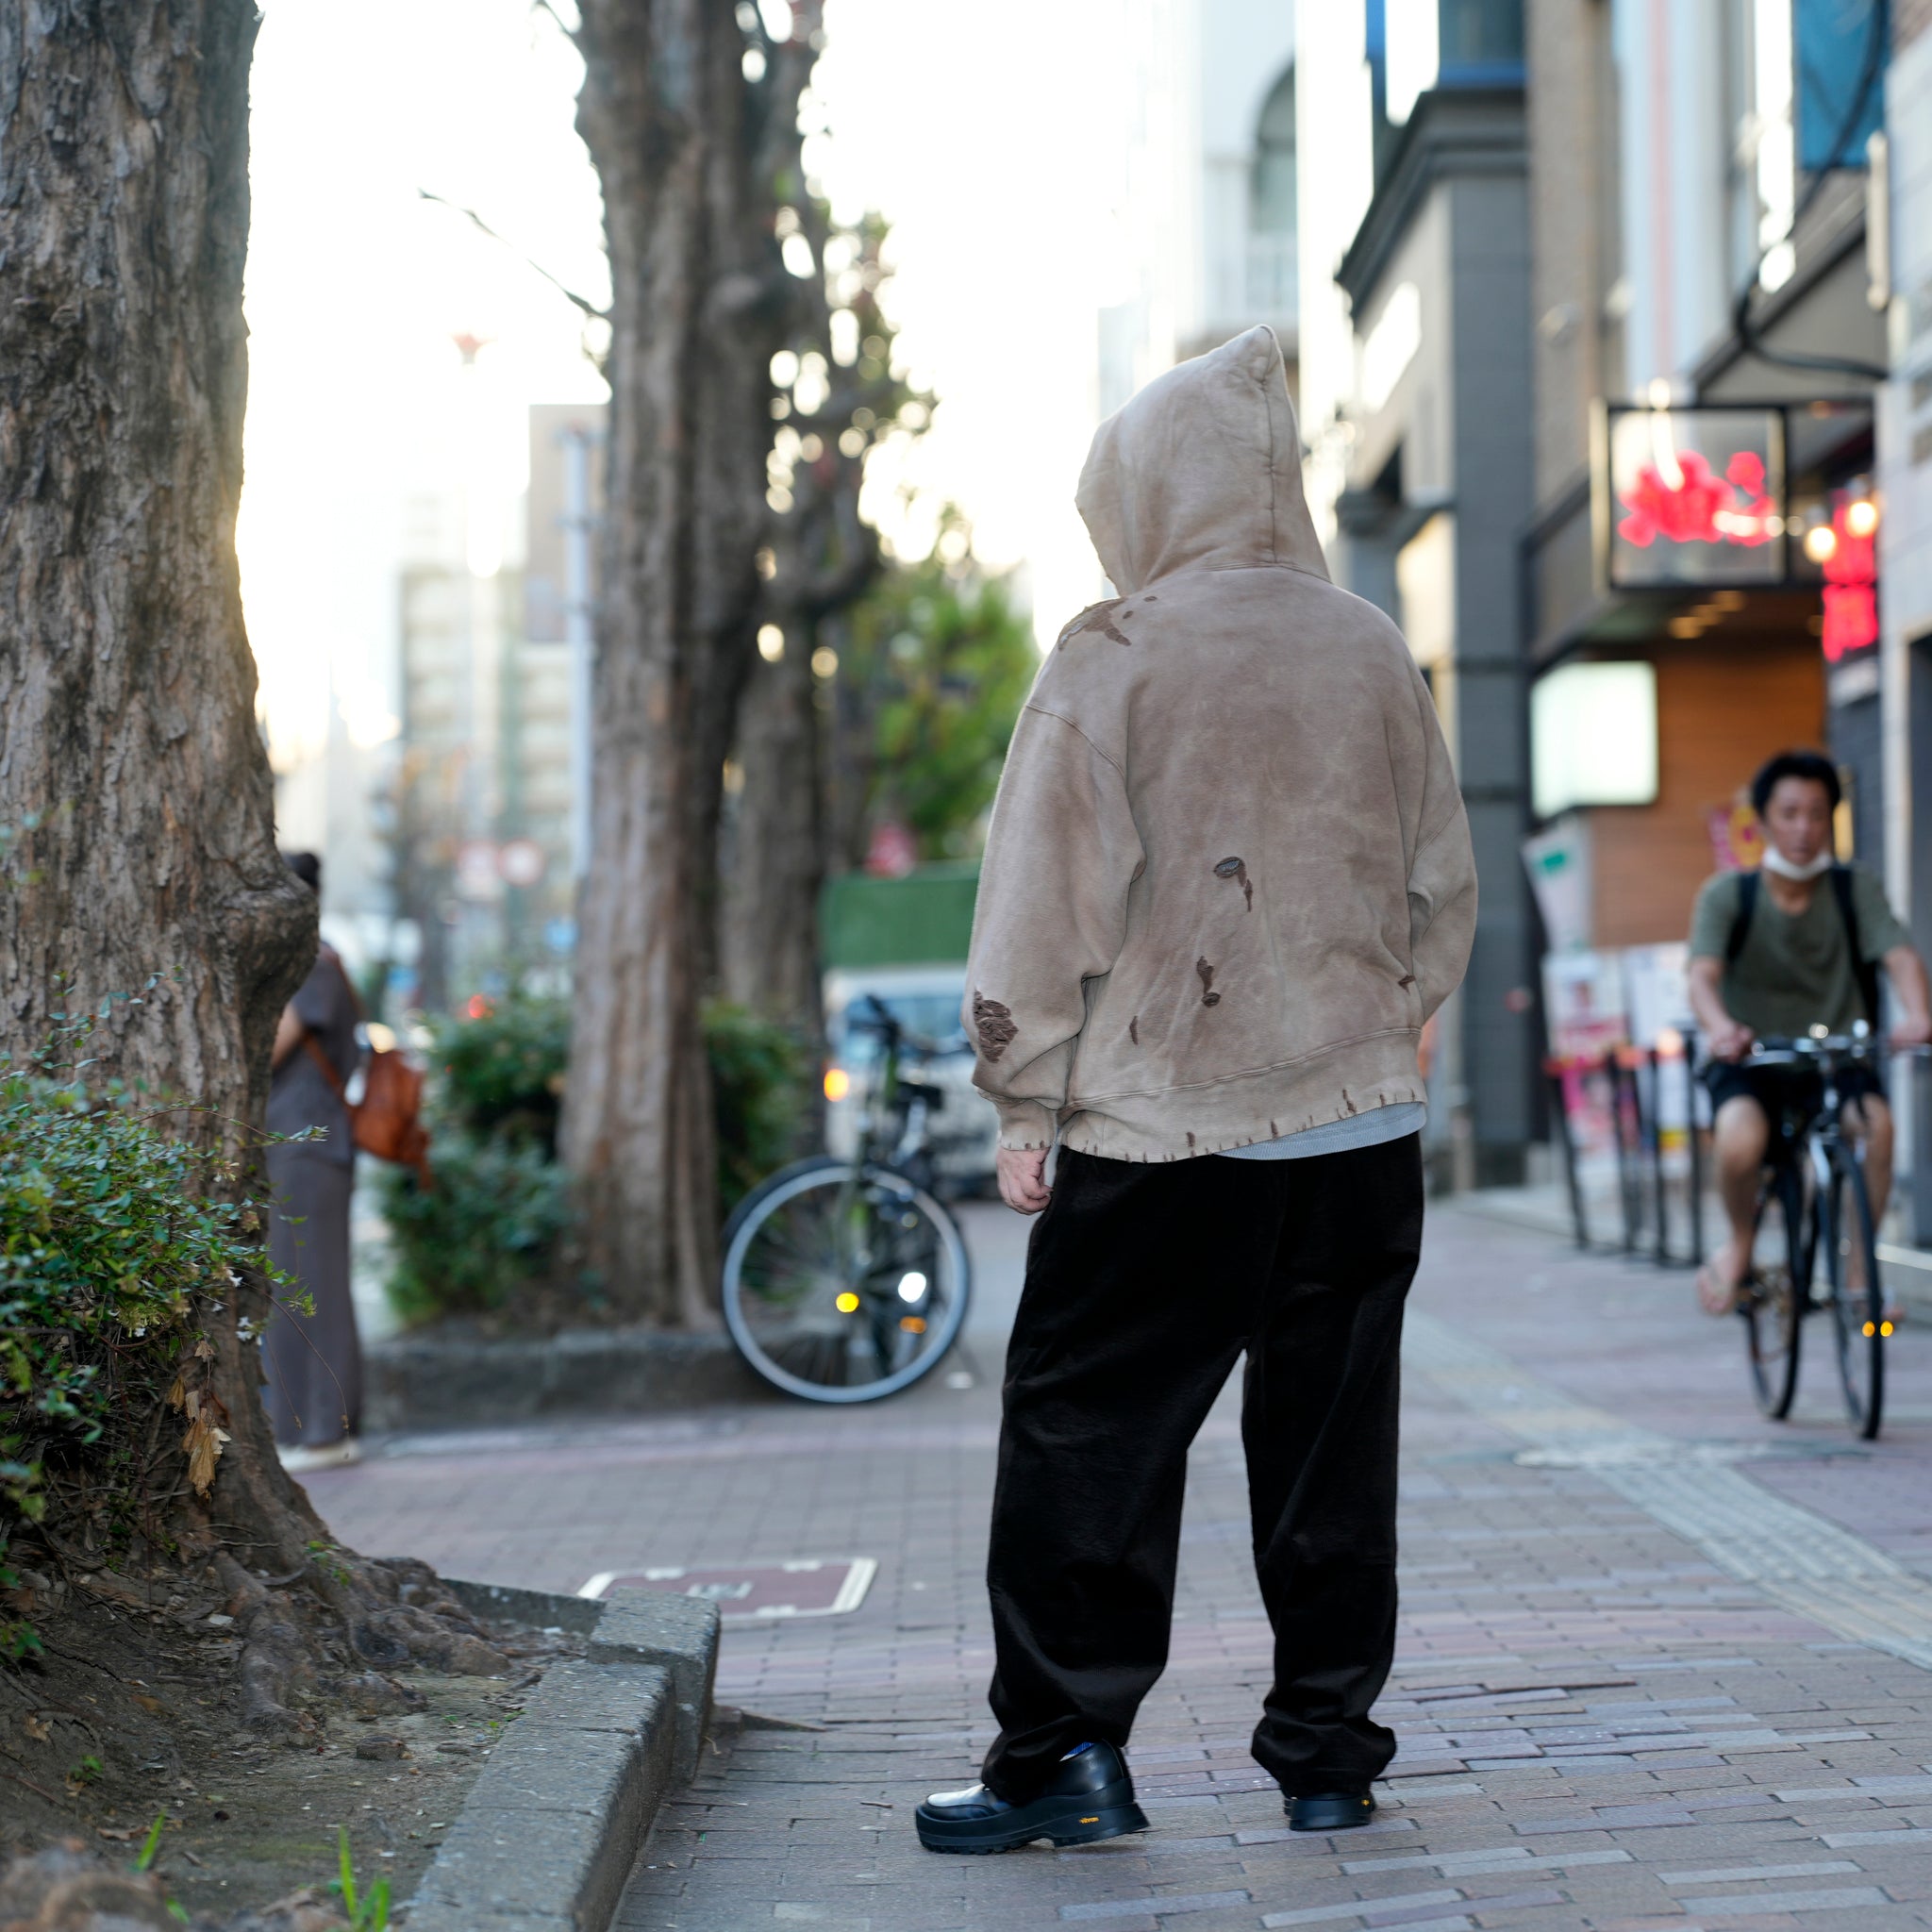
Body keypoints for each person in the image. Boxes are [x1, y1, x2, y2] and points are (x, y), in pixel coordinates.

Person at [914, 327, 1477, 1856]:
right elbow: (1440, 888)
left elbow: (1038, 907)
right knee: (1326, 1445)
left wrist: (1022, 1099)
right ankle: (1323, 1754)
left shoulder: (1113, 654)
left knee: (1087, 1430)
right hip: (1355, 1125)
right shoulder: (1366, 644)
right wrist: (1374, 1027)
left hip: (1161, 1125)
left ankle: (1062, 1752)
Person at [1688, 750, 1931, 1316]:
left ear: (1831, 821)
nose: (1803, 828)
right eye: (1790, 812)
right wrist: (1722, 1028)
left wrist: (1916, 1012)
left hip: (1836, 1057)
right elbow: (1701, 976)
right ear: (1764, 819)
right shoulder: (1728, 895)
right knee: (1739, 1140)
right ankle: (1741, 1244)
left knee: (1877, 1128)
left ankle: (1856, 1272)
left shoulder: (1854, 889)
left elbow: (1899, 956)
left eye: (1817, 814)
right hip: (1753, 1060)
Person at [261, 851, 366, 1470]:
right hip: (302, 1143)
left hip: (310, 1143)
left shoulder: (311, 963)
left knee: (310, 1287)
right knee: (301, 1285)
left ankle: (324, 1431)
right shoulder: (311, 960)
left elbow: (273, 1045)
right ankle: (319, 1428)